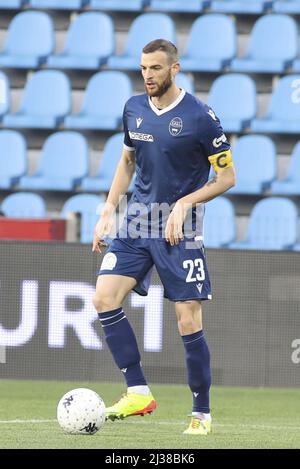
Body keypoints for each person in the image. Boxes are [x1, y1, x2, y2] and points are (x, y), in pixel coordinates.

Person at [92, 39, 236, 436]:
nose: (148, 76)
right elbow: (127, 161)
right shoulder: (133, 108)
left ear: (175, 69)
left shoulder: (201, 117)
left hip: (179, 229)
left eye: (155, 68)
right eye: (143, 68)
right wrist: (108, 210)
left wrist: (186, 202)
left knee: (187, 320)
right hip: (137, 221)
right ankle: (138, 390)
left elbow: (227, 177)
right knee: (103, 297)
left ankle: (201, 414)